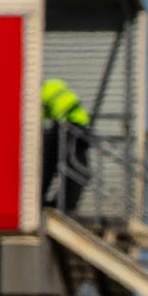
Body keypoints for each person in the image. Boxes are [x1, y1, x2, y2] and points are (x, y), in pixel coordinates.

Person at [40, 77, 93, 215]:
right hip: (80, 128)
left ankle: (45, 200)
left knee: (49, 164)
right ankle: (66, 204)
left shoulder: (40, 92)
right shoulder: (54, 84)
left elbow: (35, 115)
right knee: (76, 167)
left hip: (67, 128)